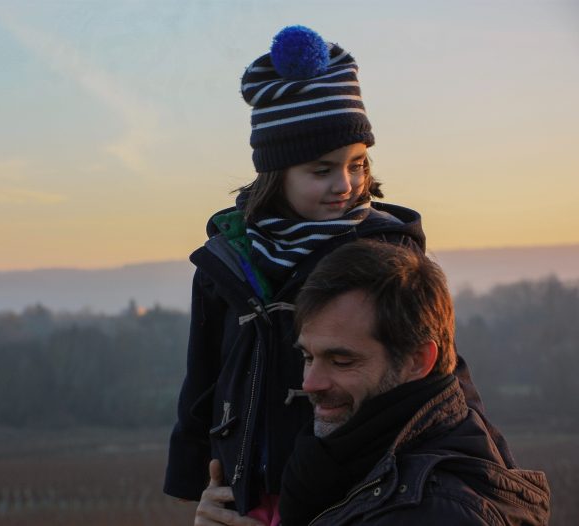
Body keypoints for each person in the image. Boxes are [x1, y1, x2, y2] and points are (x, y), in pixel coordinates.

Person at [163, 25, 430, 524]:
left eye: (357, 165)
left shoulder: (388, 253)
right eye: (321, 170)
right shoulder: (227, 257)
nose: (345, 185)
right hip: (245, 490)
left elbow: (436, 378)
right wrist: (193, 477)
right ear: (276, 172)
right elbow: (203, 375)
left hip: (357, 490)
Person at [279, 240, 550, 525]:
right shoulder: (343, 464)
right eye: (308, 357)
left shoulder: (438, 513)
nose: (310, 383)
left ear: (418, 360)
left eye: (342, 361)